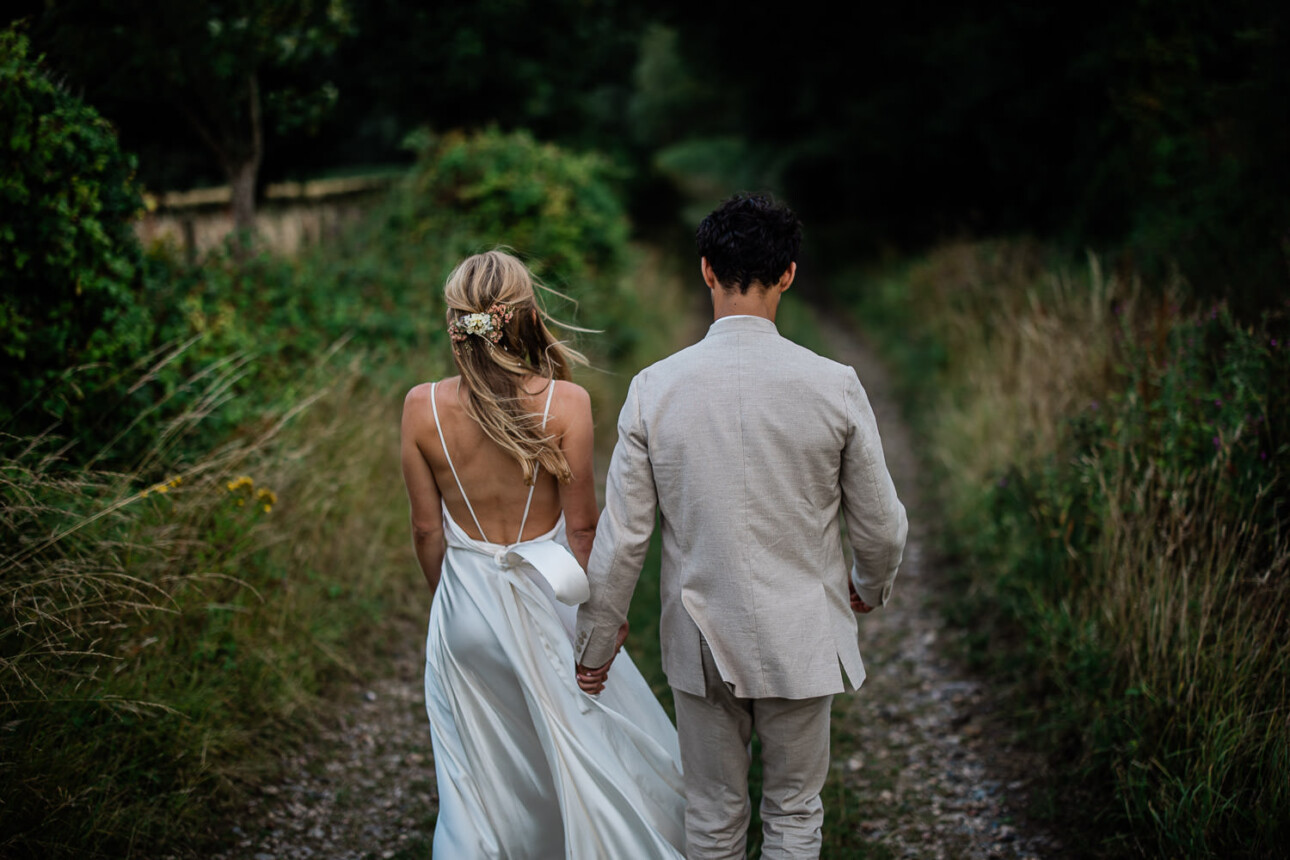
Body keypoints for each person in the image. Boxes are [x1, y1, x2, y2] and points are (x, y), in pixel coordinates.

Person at [573, 193, 909, 859]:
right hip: (802, 631)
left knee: (713, 813)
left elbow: (625, 537)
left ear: (706, 270)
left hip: (700, 637)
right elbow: (883, 526)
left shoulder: (654, 388)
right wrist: (870, 583)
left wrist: (596, 639)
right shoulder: (834, 385)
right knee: (794, 811)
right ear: (788, 274)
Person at [401, 250, 686, 858]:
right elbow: (583, 530)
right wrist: (604, 614)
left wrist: (450, 601)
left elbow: (427, 531)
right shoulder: (566, 403)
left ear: (457, 322)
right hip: (550, 601)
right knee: (582, 751)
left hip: (465, 611)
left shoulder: (420, 407)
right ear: (528, 315)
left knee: (479, 773)